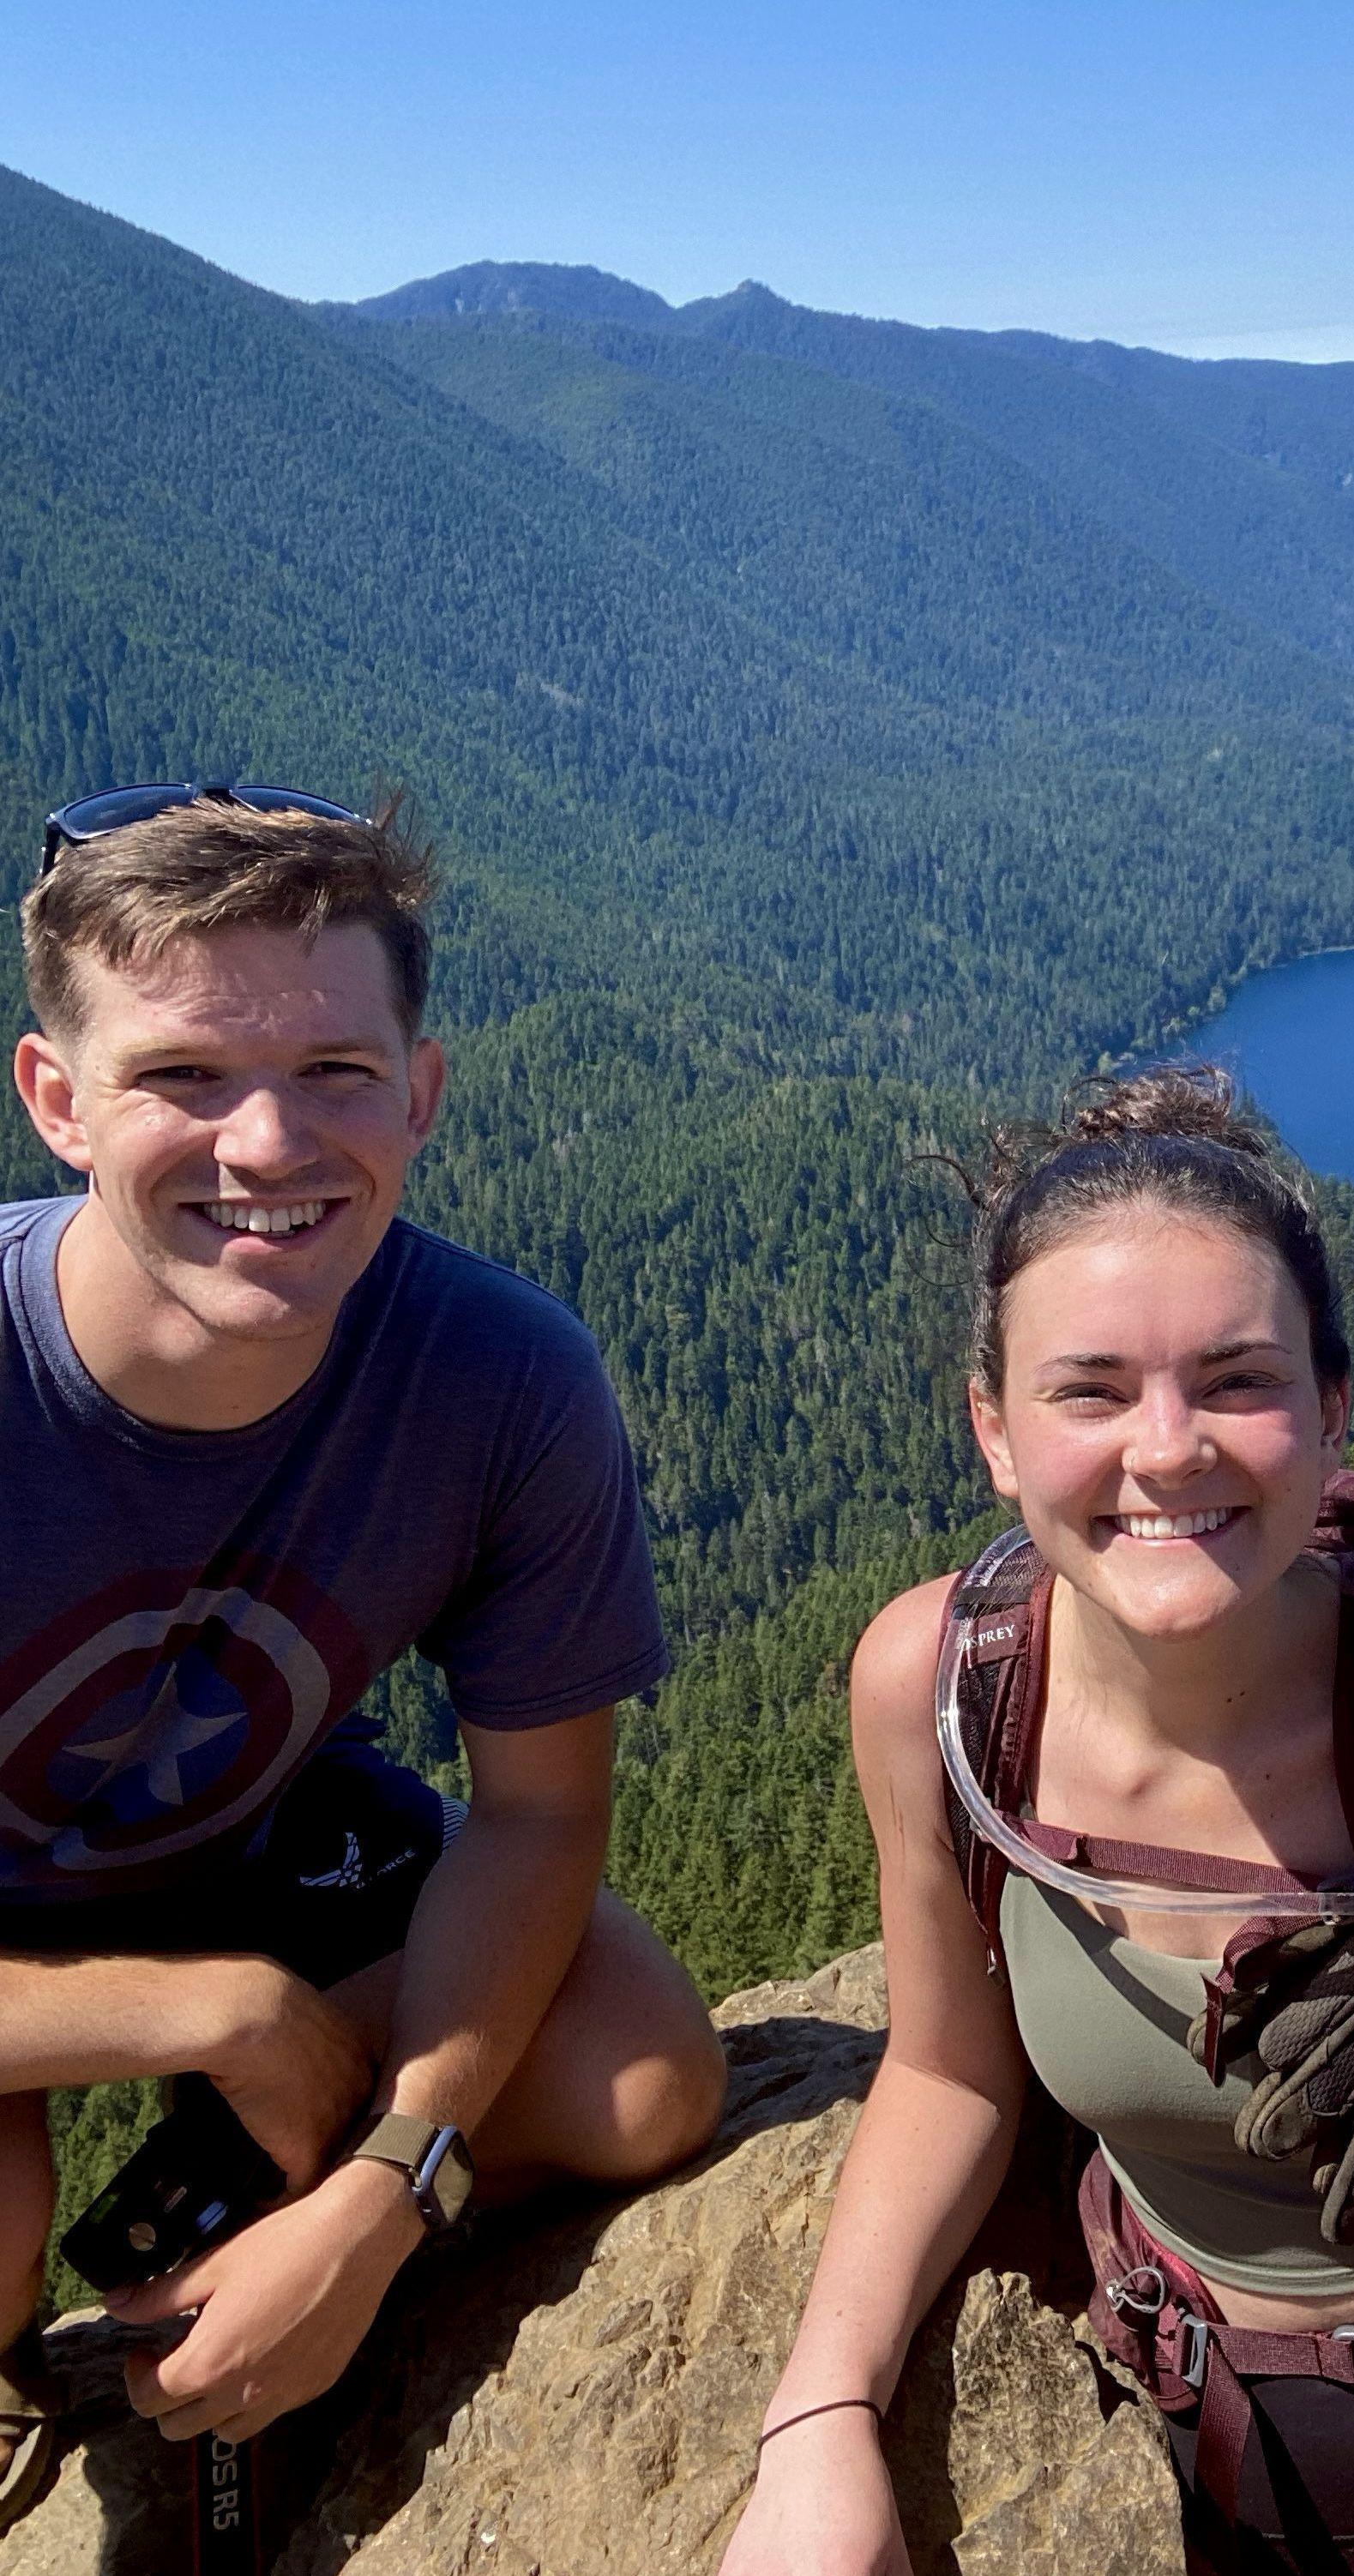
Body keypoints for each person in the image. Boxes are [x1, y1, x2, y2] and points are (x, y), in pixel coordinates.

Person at [722, 1071, 1354, 2575]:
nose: (1168, 1449)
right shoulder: (949, 1694)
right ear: (995, 1433)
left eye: (1237, 1381)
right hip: (1143, 2375)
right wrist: (823, 2414)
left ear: (1333, 1409)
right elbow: (946, 2071)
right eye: (1089, 1392)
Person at [0, 785, 726, 2530]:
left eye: (334, 1071)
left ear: (420, 1091)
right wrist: (199, 2011)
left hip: (255, 1846)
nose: (267, 1144)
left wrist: (389, 2181)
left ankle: (267, 2188)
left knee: (635, 2070)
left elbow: (537, 1822)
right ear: (57, 1100)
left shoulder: (499, 1381)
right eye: (182, 1074)